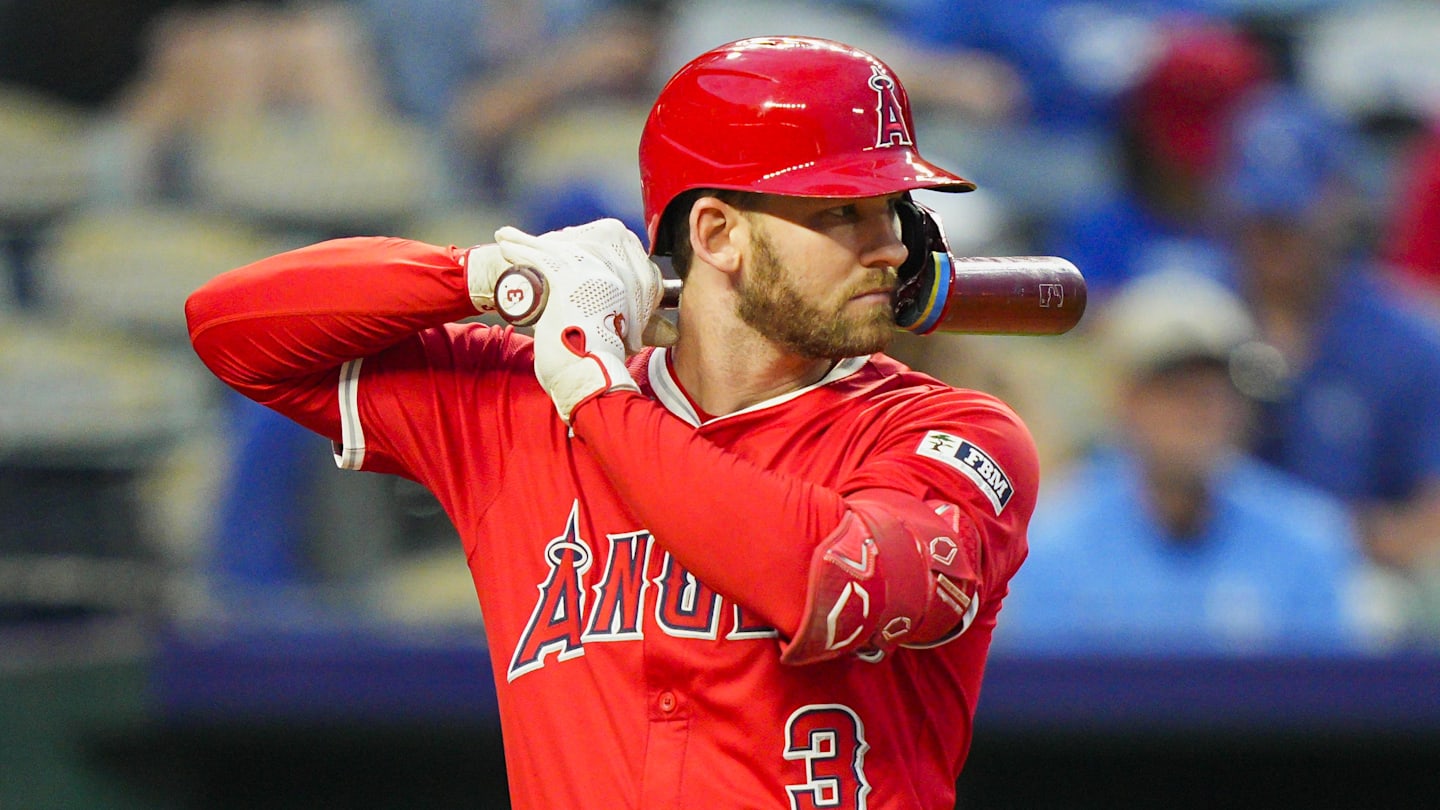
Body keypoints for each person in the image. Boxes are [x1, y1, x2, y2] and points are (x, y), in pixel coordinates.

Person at [186, 36, 1039, 809]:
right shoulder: (522, 405)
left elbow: (826, 577)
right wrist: (488, 276)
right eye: (840, 213)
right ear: (717, 234)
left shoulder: (951, 435)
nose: (892, 246)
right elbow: (232, 332)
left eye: (892, 209)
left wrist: (598, 400)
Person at [997, 269, 1371, 656]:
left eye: (1212, 392)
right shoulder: (1053, 543)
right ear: (1125, 402)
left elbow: (1330, 689)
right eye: (1172, 391)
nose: (1196, 413)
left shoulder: (1308, 539)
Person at [1215, 86, 1440, 642]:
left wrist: (1317, 539)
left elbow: (1428, 520)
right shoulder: (1192, 315)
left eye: (1289, 218)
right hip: (1194, 571)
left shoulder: (1402, 339)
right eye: (1260, 217)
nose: (1273, 237)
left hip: (1355, 582)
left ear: (1338, 203)